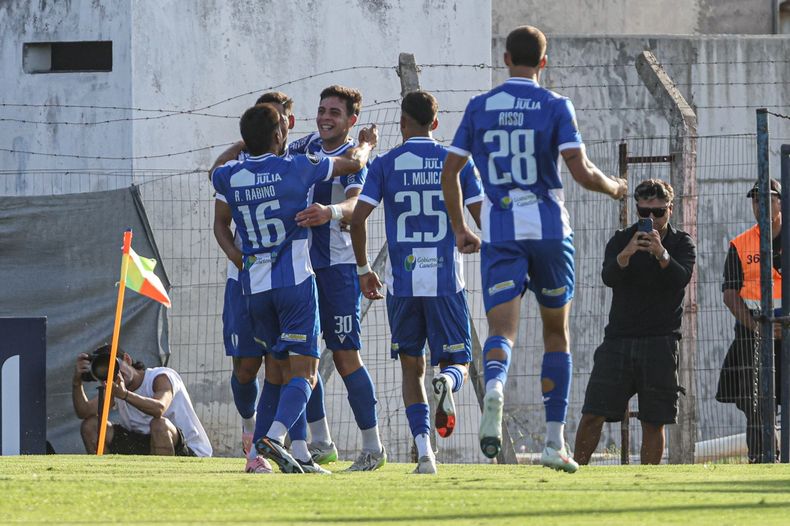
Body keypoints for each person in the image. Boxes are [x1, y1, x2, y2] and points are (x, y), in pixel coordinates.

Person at [440, 25, 627, 473]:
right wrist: (616, 188)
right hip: (548, 232)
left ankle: (496, 387)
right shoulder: (554, 105)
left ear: (505, 59)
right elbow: (580, 171)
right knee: (555, 335)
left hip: (501, 231)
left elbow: (450, 173)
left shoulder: (480, 106)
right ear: (544, 62)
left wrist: (461, 227)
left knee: (501, 332)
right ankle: (552, 441)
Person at [211, 103, 376, 474]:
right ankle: (275, 435)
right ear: (278, 136)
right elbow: (353, 163)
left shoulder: (230, 176)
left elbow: (215, 171)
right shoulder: (297, 167)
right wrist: (367, 144)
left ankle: (264, 455)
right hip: (294, 282)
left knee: (275, 372)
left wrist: (247, 139)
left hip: (254, 285)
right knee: (305, 372)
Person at [351, 90, 483, 474]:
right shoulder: (455, 163)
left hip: (402, 284)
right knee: (458, 359)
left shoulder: (386, 165)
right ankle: (449, 380)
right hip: (445, 282)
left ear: (402, 123)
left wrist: (363, 270)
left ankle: (425, 454)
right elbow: (482, 215)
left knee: (412, 368)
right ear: (436, 124)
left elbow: (357, 220)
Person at [288, 85, 385, 471]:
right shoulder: (302, 148)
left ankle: (373, 448)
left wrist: (329, 211)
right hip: (297, 270)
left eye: (335, 113)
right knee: (301, 356)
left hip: (338, 271)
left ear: (351, 121)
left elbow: (355, 206)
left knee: (345, 357)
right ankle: (322, 442)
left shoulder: (351, 158)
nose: (325, 117)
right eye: (322, 110)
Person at [573, 179, 696, 465]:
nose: (651, 220)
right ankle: (574, 472)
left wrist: (660, 253)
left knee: (654, 420)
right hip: (619, 340)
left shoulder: (681, 243)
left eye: (658, 213)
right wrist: (627, 253)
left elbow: (681, 279)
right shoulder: (621, 240)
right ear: (637, 210)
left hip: (661, 341)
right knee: (593, 412)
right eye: (645, 213)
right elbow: (608, 277)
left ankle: (648, 484)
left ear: (671, 209)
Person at [208, 91, 296, 474]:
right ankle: (249, 428)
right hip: (243, 281)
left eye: (283, 118)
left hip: (286, 281)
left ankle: (282, 446)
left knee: (284, 365)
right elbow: (220, 223)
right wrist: (238, 259)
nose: (280, 124)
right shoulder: (235, 169)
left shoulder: (296, 165)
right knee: (246, 368)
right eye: (272, 118)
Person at [716, 179, 784, 463]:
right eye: (756, 200)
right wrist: (758, 327)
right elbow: (730, 294)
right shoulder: (741, 244)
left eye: (768, 198)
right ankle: (762, 457)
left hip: (786, 328)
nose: (761, 205)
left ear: (781, 201)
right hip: (753, 333)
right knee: (753, 401)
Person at [72, 345, 212, 457]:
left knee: (159, 424)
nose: (116, 374)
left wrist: (125, 395)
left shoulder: (160, 377)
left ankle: (164, 484)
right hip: (143, 443)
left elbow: (159, 409)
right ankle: (108, 481)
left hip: (187, 448)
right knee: (90, 425)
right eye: (107, 372)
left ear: (127, 359)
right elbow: (84, 412)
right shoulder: (115, 387)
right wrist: (77, 382)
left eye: (116, 367)